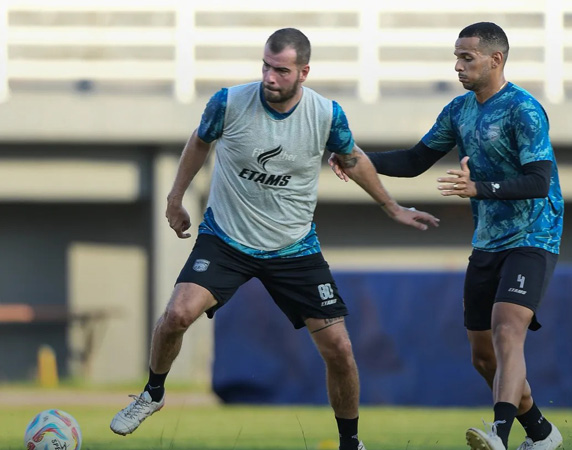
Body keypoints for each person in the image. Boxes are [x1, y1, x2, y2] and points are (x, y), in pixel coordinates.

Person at [109, 27, 440, 450]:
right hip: (226, 238)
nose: (269, 77)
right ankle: (152, 393)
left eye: (281, 70)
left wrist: (392, 207)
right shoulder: (228, 102)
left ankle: (350, 443)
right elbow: (199, 143)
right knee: (176, 315)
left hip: (294, 247)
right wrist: (175, 198)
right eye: (265, 65)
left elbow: (353, 160)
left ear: (303, 72)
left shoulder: (326, 114)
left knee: (339, 348)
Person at [329, 22, 564, 450]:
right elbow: (417, 159)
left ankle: (499, 434)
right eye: (456, 57)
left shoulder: (524, 110)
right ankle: (542, 433)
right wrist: (357, 158)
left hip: (534, 235)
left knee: (507, 329)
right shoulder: (459, 110)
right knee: (482, 356)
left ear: (496, 60)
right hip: (488, 241)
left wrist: (480, 188)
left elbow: (539, 180)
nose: (458, 66)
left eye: (466, 57)